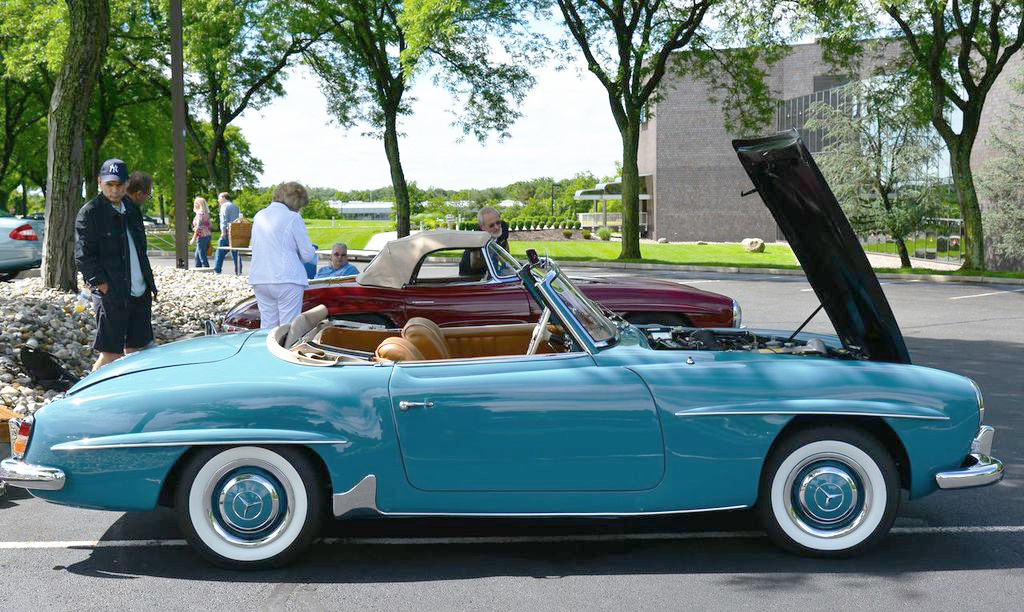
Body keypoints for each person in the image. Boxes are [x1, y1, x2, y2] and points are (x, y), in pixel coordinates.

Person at [74, 158, 158, 371]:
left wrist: (149, 283)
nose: (114, 190)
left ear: (127, 183)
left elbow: (140, 249)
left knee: (138, 349)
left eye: (119, 184)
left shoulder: (131, 208)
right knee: (110, 354)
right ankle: (92, 396)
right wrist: (99, 284)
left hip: (139, 290)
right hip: (111, 293)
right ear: (99, 182)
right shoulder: (90, 212)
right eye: (109, 184)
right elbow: (83, 254)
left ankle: (132, 394)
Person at [247, 182, 317, 328]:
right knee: (288, 328)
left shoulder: (259, 216)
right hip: (287, 279)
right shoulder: (293, 218)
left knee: (267, 327)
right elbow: (307, 255)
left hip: (261, 278)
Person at [459, 206, 510, 275]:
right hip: (471, 274)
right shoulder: (476, 237)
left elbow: (506, 249)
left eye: (498, 223)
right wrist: (493, 253)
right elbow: (475, 264)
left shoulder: (503, 228)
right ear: (482, 227)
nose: (497, 227)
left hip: (492, 266)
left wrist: (507, 262)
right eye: (491, 225)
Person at [213, 191, 241, 274]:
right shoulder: (235, 207)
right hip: (235, 231)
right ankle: (238, 270)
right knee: (236, 252)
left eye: (219, 198)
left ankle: (217, 270)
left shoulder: (224, 206)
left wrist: (223, 231)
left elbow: (224, 220)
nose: (218, 200)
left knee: (219, 252)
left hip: (226, 232)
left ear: (224, 198)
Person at [190, 196, 212, 267]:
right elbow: (209, 225)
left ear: (200, 204)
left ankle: (206, 268)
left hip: (201, 235)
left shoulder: (199, 214)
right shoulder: (205, 213)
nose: (194, 205)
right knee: (198, 255)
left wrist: (193, 238)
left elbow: (198, 227)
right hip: (207, 235)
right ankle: (198, 269)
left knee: (201, 254)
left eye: (196, 203)